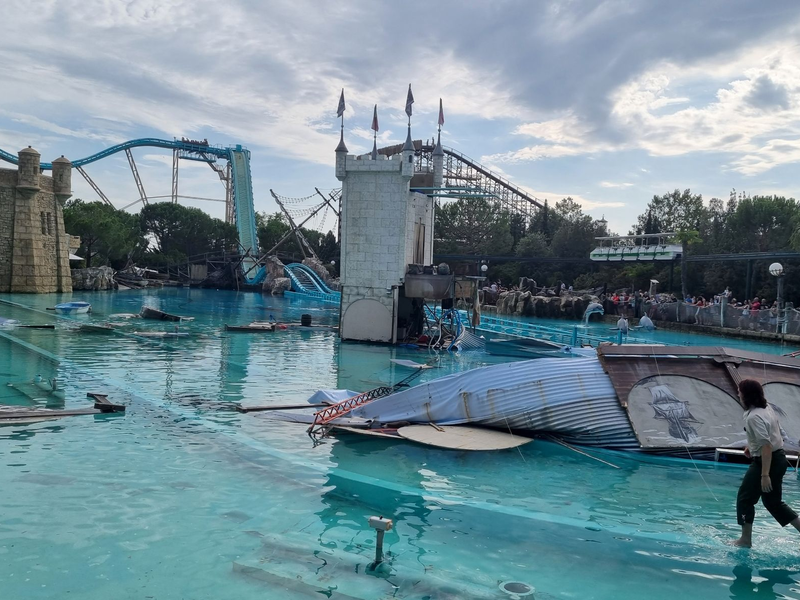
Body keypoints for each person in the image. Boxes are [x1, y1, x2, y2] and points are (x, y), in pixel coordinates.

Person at [733, 379, 800, 548]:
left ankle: (745, 540)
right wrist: (752, 446)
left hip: (766, 461)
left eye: (739, 391)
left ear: (746, 395)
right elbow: (773, 431)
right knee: (773, 502)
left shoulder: (754, 417)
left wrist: (764, 475)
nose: (737, 394)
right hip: (778, 458)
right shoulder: (766, 407)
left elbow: (767, 446)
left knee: (745, 499)